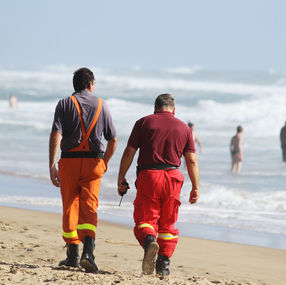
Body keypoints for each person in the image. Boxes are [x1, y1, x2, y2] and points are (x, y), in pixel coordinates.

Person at [117, 93, 200, 276]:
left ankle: (149, 242)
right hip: (173, 178)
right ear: (174, 110)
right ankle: (163, 265)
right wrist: (195, 187)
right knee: (168, 224)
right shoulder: (185, 128)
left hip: (149, 176)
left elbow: (130, 151)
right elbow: (192, 160)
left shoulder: (143, 123)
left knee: (145, 219)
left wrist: (121, 176)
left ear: (155, 108)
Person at [49, 67, 117, 273]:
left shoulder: (64, 104)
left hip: (69, 162)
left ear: (75, 85)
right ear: (91, 85)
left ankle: (72, 255)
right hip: (93, 164)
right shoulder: (102, 105)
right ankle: (88, 253)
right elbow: (112, 139)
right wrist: (105, 161)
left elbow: (56, 135)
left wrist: (52, 165)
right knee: (90, 207)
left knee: (70, 206)